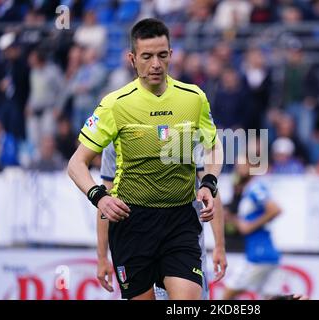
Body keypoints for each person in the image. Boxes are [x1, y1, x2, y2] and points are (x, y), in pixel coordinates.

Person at [67, 18, 223, 300]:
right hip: (132, 223)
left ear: (171, 55)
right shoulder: (114, 104)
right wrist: (99, 197)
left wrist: (209, 182)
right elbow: (76, 164)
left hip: (180, 221)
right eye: (147, 56)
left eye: (162, 55)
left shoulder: (194, 98)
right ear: (132, 59)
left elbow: (214, 146)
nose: (155, 64)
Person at [96, 143, 228, 299]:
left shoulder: (189, 126)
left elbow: (210, 189)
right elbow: (107, 199)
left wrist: (219, 245)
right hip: (137, 246)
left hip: (183, 242)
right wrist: (102, 256)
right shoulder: (114, 137)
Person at [222, 157, 283, 300]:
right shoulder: (247, 190)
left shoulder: (255, 187)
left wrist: (250, 226)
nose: (239, 168)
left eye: (242, 164)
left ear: (252, 166)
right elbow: (246, 221)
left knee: (226, 295)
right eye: (237, 165)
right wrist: (232, 219)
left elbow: (275, 209)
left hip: (258, 255)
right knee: (270, 297)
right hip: (267, 253)